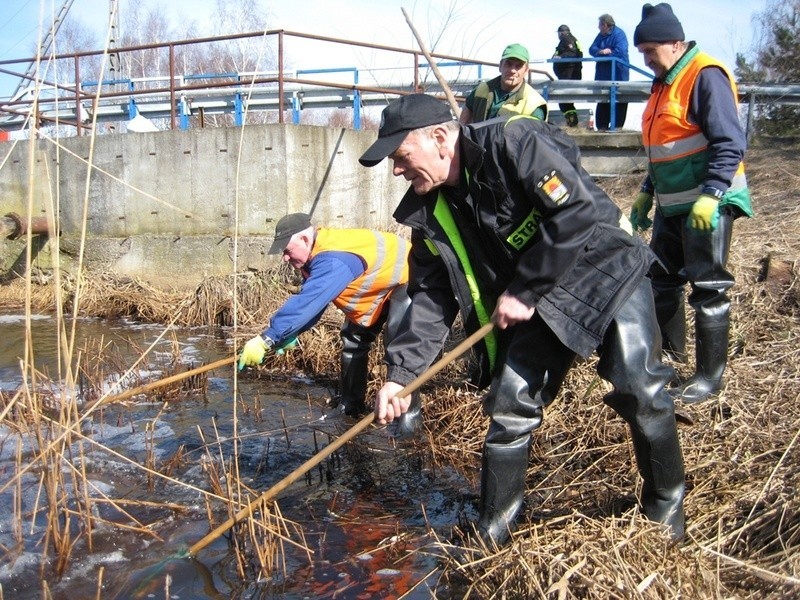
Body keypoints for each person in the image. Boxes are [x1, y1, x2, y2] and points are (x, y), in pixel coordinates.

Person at [358, 94, 686, 545]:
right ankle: (495, 529)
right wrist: (402, 376)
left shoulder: (515, 140)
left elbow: (576, 211)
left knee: (639, 387)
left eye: (400, 156)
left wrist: (524, 289)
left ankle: (666, 506)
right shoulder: (429, 212)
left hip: (604, 269)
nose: (396, 170)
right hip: (538, 298)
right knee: (509, 405)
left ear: (439, 138)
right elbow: (431, 296)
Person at [629, 3, 753, 404]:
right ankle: (670, 356)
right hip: (672, 204)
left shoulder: (705, 75)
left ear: (675, 42)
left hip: (707, 204)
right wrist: (648, 189)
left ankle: (708, 379)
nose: (647, 60)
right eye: (643, 52)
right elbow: (667, 146)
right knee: (661, 280)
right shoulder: (663, 83)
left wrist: (712, 194)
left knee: (708, 286)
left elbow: (730, 142)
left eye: (651, 51)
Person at [238, 213, 422, 436]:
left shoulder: (333, 259)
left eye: (287, 250)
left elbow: (308, 301)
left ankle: (409, 423)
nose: (284, 258)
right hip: (379, 286)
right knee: (353, 339)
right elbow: (316, 304)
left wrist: (267, 338)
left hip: (409, 277)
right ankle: (350, 406)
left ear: (305, 240)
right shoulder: (315, 255)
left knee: (397, 345)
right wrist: (290, 333)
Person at [459, 43, 548, 125]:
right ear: (500, 66)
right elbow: (463, 123)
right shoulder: (481, 90)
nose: (512, 70)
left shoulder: (534, 104)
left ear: (526, 71)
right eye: (508, 64)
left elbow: (534, 139)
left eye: (518, 66)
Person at [589, 13, 630, 130]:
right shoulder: (600, 36)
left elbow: (620, 51)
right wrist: (601, 52)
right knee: (602, 99)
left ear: (605, 25)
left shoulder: (619, 34)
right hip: (603, 75)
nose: (598, 27)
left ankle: (617, 127)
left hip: (618, 74)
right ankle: (602, 127)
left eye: (599, 25)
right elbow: (592, 49)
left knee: (620, 99)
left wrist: (607, 54)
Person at [552, 24, 583, 128]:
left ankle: (573, 124)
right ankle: (572, 124)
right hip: (568, 75)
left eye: (559, 33)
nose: (558, 35)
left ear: (562, 33)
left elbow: (572, 53)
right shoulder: (571, 39)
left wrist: (560, 57)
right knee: (566, 102)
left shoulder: (568, 39)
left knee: (565, 102)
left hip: (569, 75)